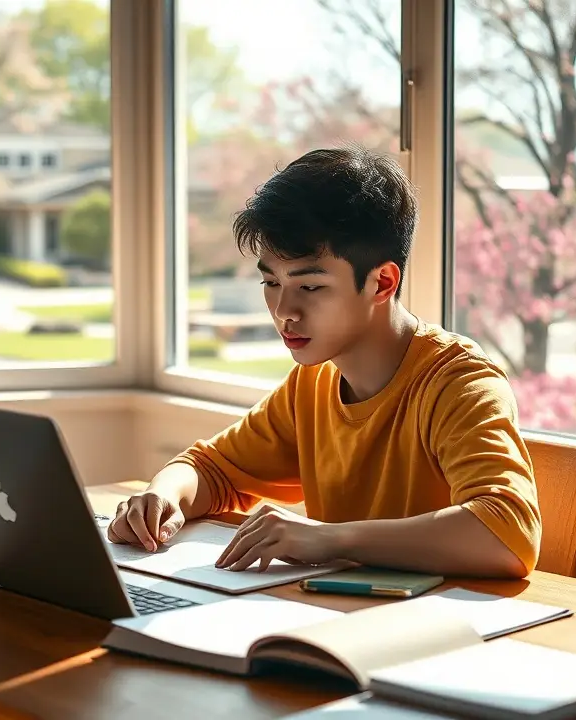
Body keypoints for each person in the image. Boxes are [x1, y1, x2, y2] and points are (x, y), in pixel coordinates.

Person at [108, 146, 541, 579]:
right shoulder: (312, 382)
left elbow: (506, 534)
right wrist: (161, 497)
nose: (283, 311)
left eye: (310, 287)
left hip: (441, 629)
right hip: (341, 617)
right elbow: (209, 469)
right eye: (271, 281)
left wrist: (327, 538)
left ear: (381, 282)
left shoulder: (459, 382)